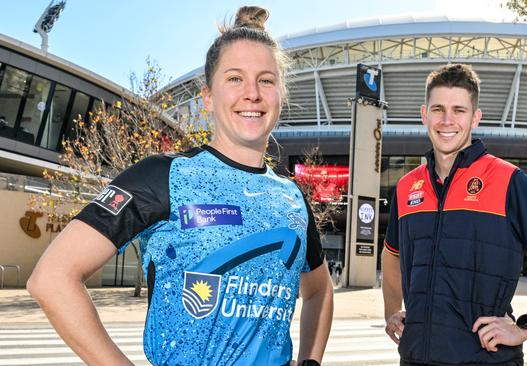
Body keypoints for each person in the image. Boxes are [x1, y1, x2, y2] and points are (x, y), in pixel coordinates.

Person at [27, 6, 333, 366]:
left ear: (280, 94)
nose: (252, 93)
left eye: (266, 80)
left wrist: (311, 361)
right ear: (207, 96)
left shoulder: (292, 198)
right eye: (235, 78)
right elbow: (51, 278)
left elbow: (319, 290)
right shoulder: (163, 175)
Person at [381, 64, 527, 366]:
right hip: (415, 357)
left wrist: (526, 327)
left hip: (486, 359)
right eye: (438, 109)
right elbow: (391, 254)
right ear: (424, 114)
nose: (447, 120)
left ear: (475, 117)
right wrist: (390, 310)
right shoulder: (407, 185)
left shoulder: (507, 180)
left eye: (459, 110)